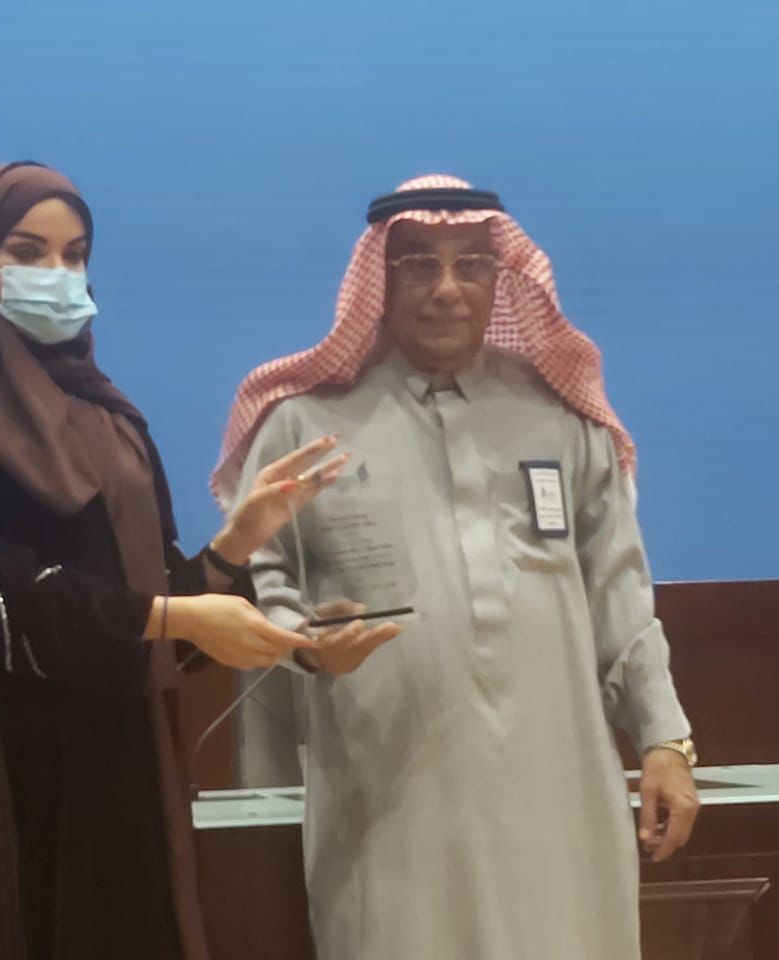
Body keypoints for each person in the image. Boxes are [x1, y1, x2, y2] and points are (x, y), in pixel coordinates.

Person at [0, 161, 345, 960]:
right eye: (26, 252)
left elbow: (155, 624)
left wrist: (236, 544)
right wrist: (172, 615)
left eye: (74, 255)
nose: (57, 274)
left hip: (117, 769)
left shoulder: (106, 420)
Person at [213, 174, 700, 959]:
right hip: (394, 806)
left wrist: (664, 741)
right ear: (378, 277)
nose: (448, 290)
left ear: (500, 277)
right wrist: (305, 644)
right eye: (418, 266)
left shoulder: (562, 416)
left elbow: (618, 592)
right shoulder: (306, 425)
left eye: (472, 264)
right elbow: (261, 584)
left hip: (560, 797)